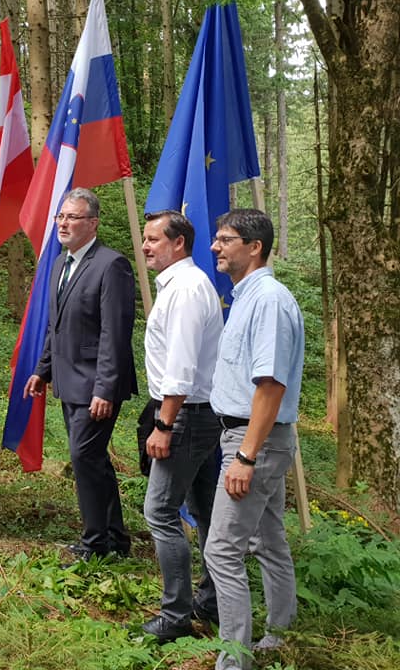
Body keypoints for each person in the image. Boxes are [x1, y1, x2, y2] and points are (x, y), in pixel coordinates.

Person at [204, 209, 304, 670]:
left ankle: (233, 661)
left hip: (252, 441)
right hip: (254, 438)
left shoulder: (268, 301)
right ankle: (280, 635)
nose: (215, 247)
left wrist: (245, 456)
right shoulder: (247, 296)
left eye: (225, 240)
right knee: (269, 539)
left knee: (222, 549)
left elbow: (270, 385)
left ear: (254, 246)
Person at [23, 188, 136, 560]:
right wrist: (43, 369)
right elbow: (57, 326)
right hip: (68, 381)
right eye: (61, 217)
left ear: (93, 223)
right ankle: (115, 538)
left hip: (96, 386)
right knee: (94, 461)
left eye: (72, 217)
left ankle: (94, 545)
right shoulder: (59, 264)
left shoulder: (111, 265)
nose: (64, 224)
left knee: (84, 459)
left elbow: (114, 334)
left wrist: (104, 389)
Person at [139, 210, 223, 641]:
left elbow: (183, 367)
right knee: (206, 510)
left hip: (187, 414)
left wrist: (164, 424)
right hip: (197, 413)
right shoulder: (179, 285)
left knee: (160, 511)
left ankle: (175, 617)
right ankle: (210, 600)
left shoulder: (187, 290)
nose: (146, 246)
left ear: (179, 244)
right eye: (146, 239)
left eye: (154, 239)